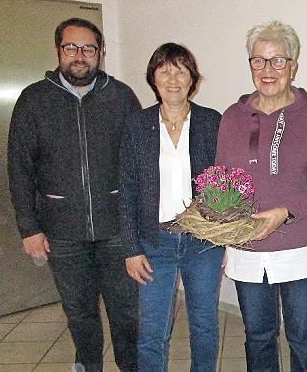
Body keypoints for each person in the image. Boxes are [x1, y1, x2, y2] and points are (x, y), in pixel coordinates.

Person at [7, 17, 140, 372]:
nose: (79, 55)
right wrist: (28, 227)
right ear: (58, 51)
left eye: (88, 48)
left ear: (100, 53)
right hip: (62, 233)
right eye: (71, 47)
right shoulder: (33, 100)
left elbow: (140, 161)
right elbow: (19, 168)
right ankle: (89, 366)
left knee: (126, 315)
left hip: (116, 230)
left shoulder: (122, 96)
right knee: (80, 314)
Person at [214, 20, 307, 372]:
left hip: (301, 248)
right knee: (257, 337)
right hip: (248, 251)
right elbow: (223, 184)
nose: (268, 70)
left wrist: (285, 212)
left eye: (278, 60)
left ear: (293, 66)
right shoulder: (232, 118)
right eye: (259, 60)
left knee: (304, 339)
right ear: (250, 65)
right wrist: (224, 238)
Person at [119, 43, 223, 371]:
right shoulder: (138, 125)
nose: (173, 78)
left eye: (181, 70)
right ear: (153, 77)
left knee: (204, 326)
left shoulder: (211, 121)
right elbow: (127, 191)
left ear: (193, 78)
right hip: (154, 241)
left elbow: (225, 186)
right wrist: (130, 248)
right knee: (152, 331)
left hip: (203, 241)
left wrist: (225, 240)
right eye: (164, 70)